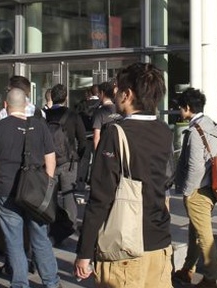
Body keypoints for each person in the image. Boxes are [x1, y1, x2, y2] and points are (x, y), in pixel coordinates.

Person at [75, 63, 174, 287]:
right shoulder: (164, 131)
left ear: (127, 94)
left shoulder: (115, 133)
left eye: (118, 89)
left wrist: (84, 252)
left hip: (124, 247)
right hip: (160, 244)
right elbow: (168, 178)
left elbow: (100, 197)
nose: (116, 94)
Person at [0, 88, 60, 288]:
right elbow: (51, 161)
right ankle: (51, 282)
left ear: (6, 105)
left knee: (13, 241)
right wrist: (46, 185)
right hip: (35, 191)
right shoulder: (40, 127)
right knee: (40, 238)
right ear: (26, 105)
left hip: (5, 189)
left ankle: (20, 283)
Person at [172, 87, 217, 288]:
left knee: (203, 235)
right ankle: (187, 270)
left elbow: (194, 165)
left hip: (198, 190)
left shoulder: (194, 131)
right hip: (211, 186)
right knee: (195, 232)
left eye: (180, 107)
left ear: (187, 107)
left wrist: (188, 191)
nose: (178, 111)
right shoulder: (212, 125)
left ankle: (210, 279)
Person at [44, 83, 85, 245]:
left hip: (49, 162)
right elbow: (82, 140)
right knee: (69, 197)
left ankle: (52, 229)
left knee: (50, 197)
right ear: (66, 98)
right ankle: (68, 227)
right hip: (69, 162)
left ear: (51, 98)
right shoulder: (73, 115)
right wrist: (78, 157)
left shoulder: (44, 115)